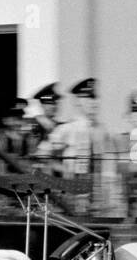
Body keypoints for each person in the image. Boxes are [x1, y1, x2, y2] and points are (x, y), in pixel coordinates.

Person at [38, 77, 119, 211]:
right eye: (88, 98)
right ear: (78, 102)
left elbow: (109, 164)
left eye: (94, 98)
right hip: (73, 194)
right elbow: (41, 155)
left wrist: (109, 195)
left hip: (99, 197)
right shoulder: (67, 129)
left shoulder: (103, 131)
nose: (94, 103)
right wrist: (63, 169)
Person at [26, 82, 64, 150]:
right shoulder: (35, 124)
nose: (53, 107)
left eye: (55, 104)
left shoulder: (59, 125)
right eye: (49, 104)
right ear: (42, 105)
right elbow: (31, 148)